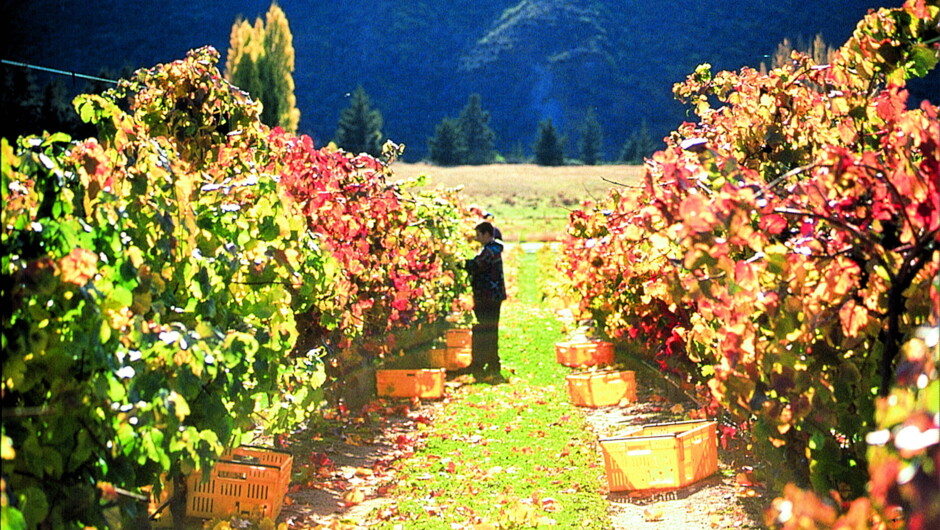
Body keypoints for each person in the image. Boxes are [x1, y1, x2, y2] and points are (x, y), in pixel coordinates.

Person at [463, 221, 507, 382]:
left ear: (487, 234)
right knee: (486, 330)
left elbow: (477, 265)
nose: (477, 238)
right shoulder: (492, 249)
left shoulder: (491, 251)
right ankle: (484, 363)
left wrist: (459, 263)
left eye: (479, 235)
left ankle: (487, 364)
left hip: (489, 297)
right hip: (489, 296)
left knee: (485, 330)